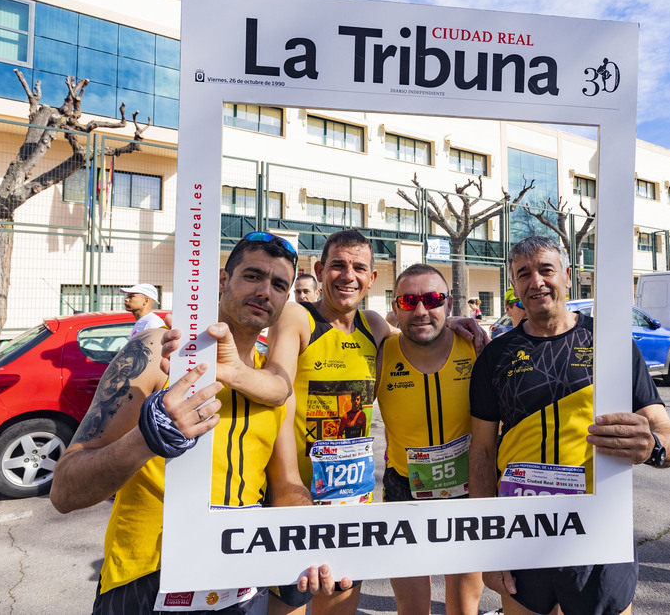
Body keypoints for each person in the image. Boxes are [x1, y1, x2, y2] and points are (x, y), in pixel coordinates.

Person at [51, 233, 341, 614]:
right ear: (223, 281)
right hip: (148, 584)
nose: (264, 292)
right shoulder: (160, 350)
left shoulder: (272, 382)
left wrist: (311, 545)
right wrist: (146, 439)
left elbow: (287, 486)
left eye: (279, 285)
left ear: (286, 299)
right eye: (252, 276)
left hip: (240, 588)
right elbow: (64, 492)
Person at [264, 229, 487, 615]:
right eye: (337, 265)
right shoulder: (297, 317)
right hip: (299, 495)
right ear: (318, 270)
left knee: (338, 607)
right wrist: (287, 488)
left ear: (371, 279)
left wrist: (447, 321)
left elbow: (419, 332)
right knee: (291, 605)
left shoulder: (373, 328)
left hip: (352, 500)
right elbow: (277, 389)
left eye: (358, 268)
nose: (348, 275)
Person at [468, 236, 670, 615]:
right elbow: (482, 452)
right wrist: (488, 545)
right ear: (514, 285)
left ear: (568, 276)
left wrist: (655, 448)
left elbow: (667, 434)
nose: (536, 282)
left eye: (546, 270)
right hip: (521, 529)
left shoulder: (610, 343)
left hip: (597, 528)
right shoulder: (496, 356)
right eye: (524, 274)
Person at [376, 263, 483, 615]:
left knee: (464, 606)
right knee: (411, 608)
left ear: (448, 305)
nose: (421, 310)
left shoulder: (478, 349)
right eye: (409, 301)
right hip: (404, 489)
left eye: (432, 299)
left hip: (469, 489)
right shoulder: (382, 352)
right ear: (395, 308)